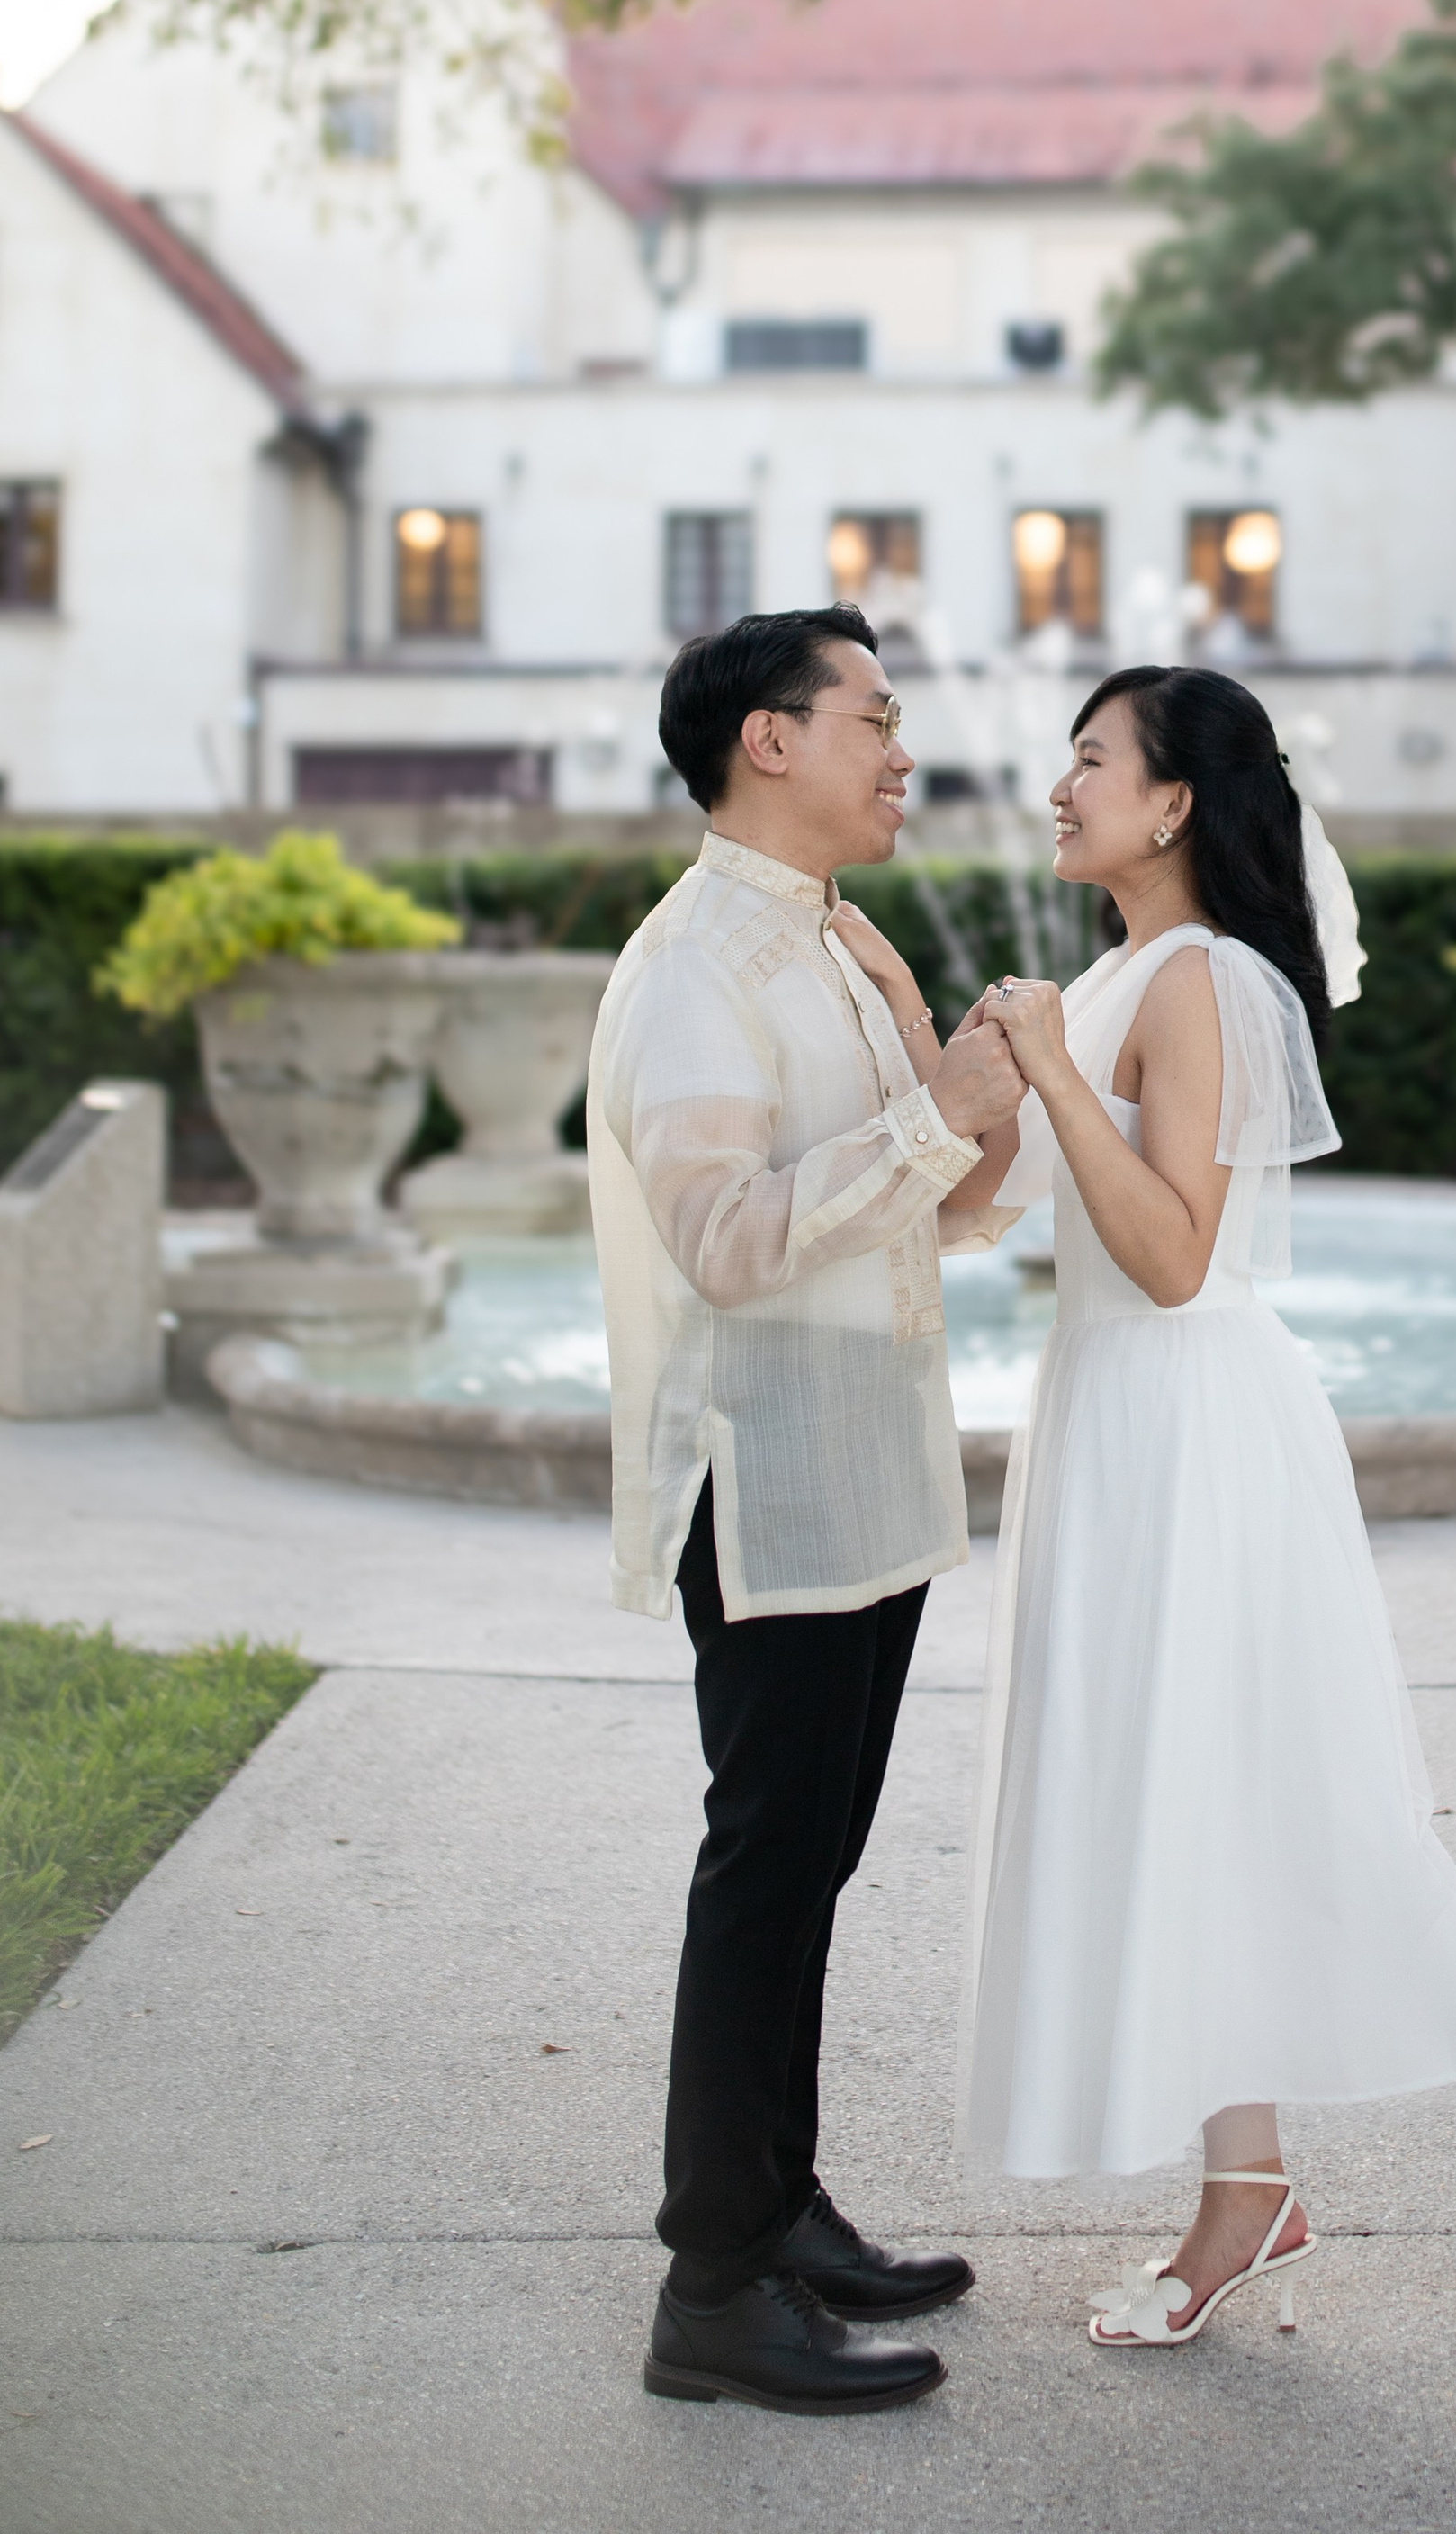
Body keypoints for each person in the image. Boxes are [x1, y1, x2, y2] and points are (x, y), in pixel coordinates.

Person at [950, 665, 1456, 2346]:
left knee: (1308, 1801)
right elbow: (984, 1222)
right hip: (1110, 1424)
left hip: (1197, 1426)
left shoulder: (1194, 982)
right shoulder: (1118, 976)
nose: (1059, 791)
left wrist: (1053, 1071)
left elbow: (1174, 1252)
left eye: (1090, 763)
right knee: (1187, 1804)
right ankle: (1247, 2194)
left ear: (1175, 803)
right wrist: (975, 1077)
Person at [588, 605, 1025, 2416]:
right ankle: (711, 2282)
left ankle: (778, 2208)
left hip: (856, 1467)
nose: (899, 749)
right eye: (870, 715)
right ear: (766, 740)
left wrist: (972, 1096)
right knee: (766, 1860)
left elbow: (924, 1214)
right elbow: (726, 1236)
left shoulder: (834, 946)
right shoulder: (700, 966)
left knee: (812, 1859)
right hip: (759, 1483)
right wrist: (940, 1119)